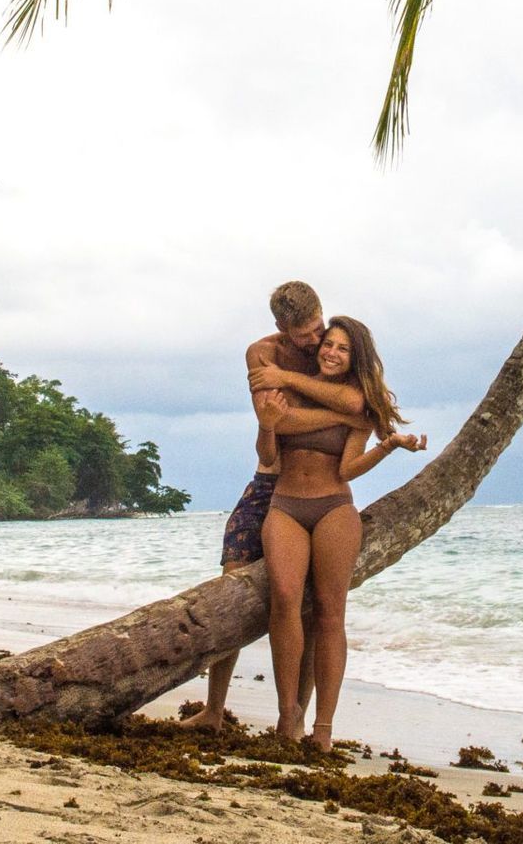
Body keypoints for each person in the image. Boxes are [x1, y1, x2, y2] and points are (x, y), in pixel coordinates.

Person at [180, 281, 373, 732]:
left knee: (310, 606)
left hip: (318, 491)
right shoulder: (261, 354)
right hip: (270, 484)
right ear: (281, 329)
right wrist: (343, 415)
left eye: (318, 327)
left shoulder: (332, 350)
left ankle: (299, 717)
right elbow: (276, 423)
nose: (315, 341)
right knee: (231, 588)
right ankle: (214, 709)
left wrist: (342, 410)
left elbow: (357, 403)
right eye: (305, 335)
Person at [257, 314, 425, 747]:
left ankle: (324, 728)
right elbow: (268, 451)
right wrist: (269, 424)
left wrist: (386, 446)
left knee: (331, 613)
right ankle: (287, 713)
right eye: (327, 344)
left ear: (356, 357)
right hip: (286, 506)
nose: (331, 352)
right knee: (285, 602)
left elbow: (349, 467)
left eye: (342, 348)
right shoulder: (295, 386)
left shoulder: (359, 402)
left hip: (334, 507)